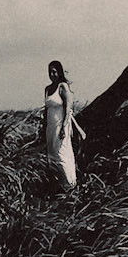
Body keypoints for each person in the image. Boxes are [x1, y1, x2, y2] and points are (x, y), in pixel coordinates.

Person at [43, 58, 83, 192]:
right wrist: (43, 127)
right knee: (52, 154)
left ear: (59, 72)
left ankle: (70, 185)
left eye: (54, 72)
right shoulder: (48, 89)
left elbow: (68, 108)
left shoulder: (63, 87)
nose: (52, 75)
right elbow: (46, 109)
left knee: (62, 154)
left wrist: (64, 127)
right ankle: (58, 185)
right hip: (50, 127)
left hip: (61, 125)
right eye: (50, 72)